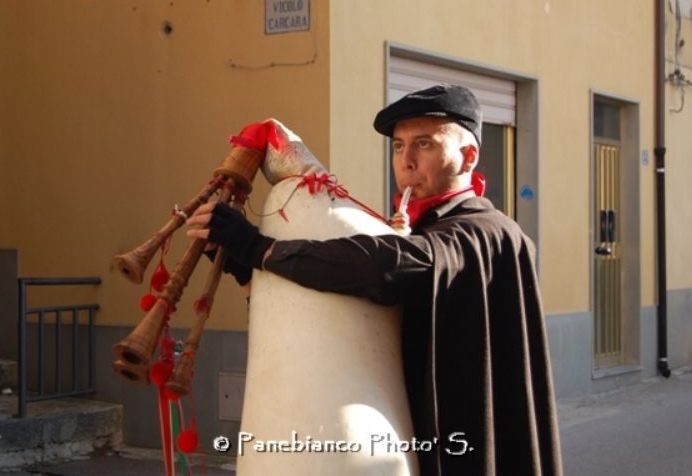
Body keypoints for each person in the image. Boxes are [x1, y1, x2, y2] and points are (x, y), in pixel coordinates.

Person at [187, 84, 563, 476]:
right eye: (399, 146)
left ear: (468, 156)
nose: (407, 161)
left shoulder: (487, 231)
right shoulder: (422, 230)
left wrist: (259, 248)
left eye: (425, 144)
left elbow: (385, 269)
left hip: (466, 443)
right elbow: (361, 303)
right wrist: (242, 264)